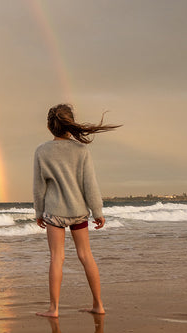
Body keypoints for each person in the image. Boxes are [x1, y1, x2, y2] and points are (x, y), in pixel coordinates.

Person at [33, 103, 120, 318]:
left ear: (49, 126)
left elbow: (38, 187)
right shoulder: (82, 150)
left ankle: (54, 309)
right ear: (70, 124)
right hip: (79, 211)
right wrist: (97, 211)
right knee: (86, 255)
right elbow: (89, 184)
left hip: (54, 213)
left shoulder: (42, 151)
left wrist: (38, 212)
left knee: (56, 258)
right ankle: (98, 305)